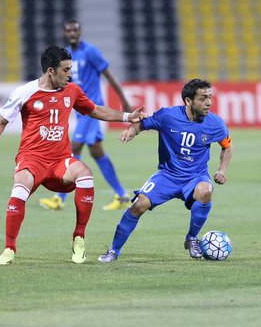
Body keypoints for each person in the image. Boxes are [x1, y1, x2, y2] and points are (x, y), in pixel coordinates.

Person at [0, 45, 144, 265]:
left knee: (86, 175)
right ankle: (9, 249)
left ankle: (79, 237)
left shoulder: (73, 90)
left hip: (61, 161)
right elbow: (1, 122)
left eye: (71, 69)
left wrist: (128, 116)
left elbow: (95, 110)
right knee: (19, 191)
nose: (70, 74)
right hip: (32, 160)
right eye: (66, 70)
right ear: (51, 70)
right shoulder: (25, 92)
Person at [98, 79, 233, 263]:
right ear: (188, 101)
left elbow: (227, 146)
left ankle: (191, 238)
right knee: (139, 205)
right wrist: (132, 130)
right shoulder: (167, 116)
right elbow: (142, 123)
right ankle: (113, 251)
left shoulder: (215, 123)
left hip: (195, 177)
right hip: (167, 175)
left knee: (205, 190)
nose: (208, 103)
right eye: (203, 98)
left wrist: (222, 170)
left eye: (209, 97)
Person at [39, 20, 132, 212]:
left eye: (75, 29)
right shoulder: (65, 55)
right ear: (65, 33)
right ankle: (122, 195)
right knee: (97, 152)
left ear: (80, 32)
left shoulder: (91, 52)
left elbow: (109, 76)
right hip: (79, 110)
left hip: (92, 109)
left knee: (73, 147)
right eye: (68, 30)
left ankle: (60, 197)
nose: (72, 33)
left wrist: (123, 100)